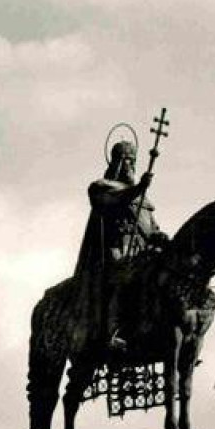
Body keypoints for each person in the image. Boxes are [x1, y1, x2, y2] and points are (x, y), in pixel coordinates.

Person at [71, 139, 168, 352]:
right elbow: (116, 200)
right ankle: (113, 332)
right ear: (116, 162)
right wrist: (139, 187)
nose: (131, 166)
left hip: (141, 250)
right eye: (126, 161)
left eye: (133, 161)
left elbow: (150, 228)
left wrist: (160, 237)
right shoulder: (101, 187)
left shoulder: (143, 198)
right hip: (114, 249)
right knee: (122, 278)